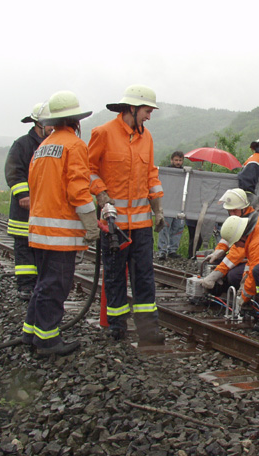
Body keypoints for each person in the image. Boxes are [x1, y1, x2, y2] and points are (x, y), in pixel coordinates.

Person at [88, 84, 166, 344]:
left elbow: (151, 175)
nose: (149, 116)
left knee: (144, 276)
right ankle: (117, 326)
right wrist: (101, 194)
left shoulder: (148, 137)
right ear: (131, 108)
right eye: (146, 110)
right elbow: (88, 170)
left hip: (142, 224)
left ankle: (148, 329)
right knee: (114, 276)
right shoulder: (103, 134)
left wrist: (158, 208)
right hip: (114, 224)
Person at [23, 90, 98, 357]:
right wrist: (91, 224)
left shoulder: (42, 147)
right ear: (76, 120)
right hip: (61, 234)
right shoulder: (75, 145)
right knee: (56, 286)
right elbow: (78, 189)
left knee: (44, 283)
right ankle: (47, 341)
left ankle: (31, 331)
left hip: (40, 231)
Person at [5, 102, 54, 301]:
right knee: (24, 250)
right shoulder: (22, 144)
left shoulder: (53, 144)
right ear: (39, 123)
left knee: (42, 250)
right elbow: (14, 172)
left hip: (44, 209)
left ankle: (40, 286)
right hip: (24, 212)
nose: (54, 127)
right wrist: (23, 195)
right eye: (50, 123)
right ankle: (26, 287)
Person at [200, 188, 259, 294]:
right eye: (229, 211)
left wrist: (217, 274)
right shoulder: (239, 217)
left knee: (234, 275)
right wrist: (219, 250)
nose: (232, 213)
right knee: (214, 262)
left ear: (243, 208)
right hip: (243, 258)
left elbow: (237, 254)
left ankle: (240, 296)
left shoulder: (252, 224)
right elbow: (228, 236)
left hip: (252, 260)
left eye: (234, 210)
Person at [156, 151, 185, 260]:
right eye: (176, 160)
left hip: (179, 206)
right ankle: (162, 251)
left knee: (178, 229)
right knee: (164, 228)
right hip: (167, 204)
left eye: (180, 160)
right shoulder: (166, 172)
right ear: (171, 160)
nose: (178, 162)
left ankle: (172, 250)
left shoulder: (185, 173)